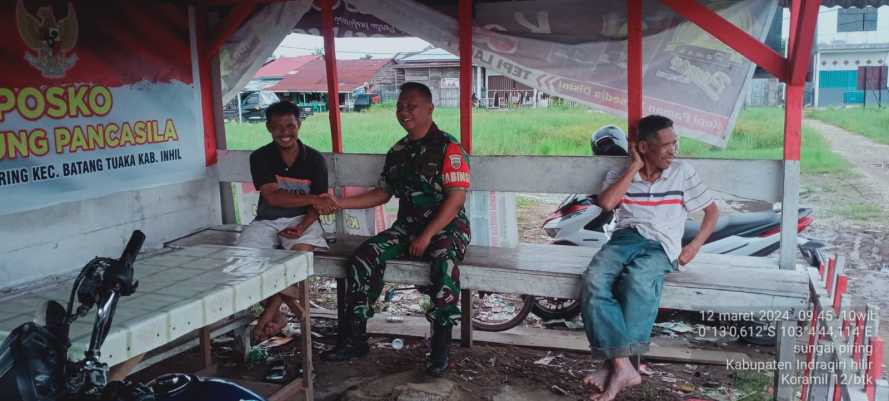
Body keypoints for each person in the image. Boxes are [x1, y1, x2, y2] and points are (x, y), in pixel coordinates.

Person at [315, 82, 471, 377]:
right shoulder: (398, 151)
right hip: (408, 227)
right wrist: (339, 203)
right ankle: (355, 338)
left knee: (443, 262)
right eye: (400, 106)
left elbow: (456, 198)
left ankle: (440, 347)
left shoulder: (449, 147)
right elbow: (382, 194)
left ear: (429, 109)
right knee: (364, 257)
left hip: (447, 226)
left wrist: (427, 236)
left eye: (411, 106)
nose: (404, 112)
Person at [581, 115, 719, 401]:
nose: (673, 151)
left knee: (638, 280)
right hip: (624, 239)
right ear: (643, 147)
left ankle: (615, 367)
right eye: (666, 145)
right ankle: (622, 366)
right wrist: (633, 167)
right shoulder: (622, 173)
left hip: (661, 245)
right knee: (594, 279)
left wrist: (693, 247)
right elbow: (607, 204)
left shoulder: (682, 172)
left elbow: (712, 212)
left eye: (675, 143)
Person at [236, 100, 330, 340]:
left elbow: (316, 208)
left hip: (303, 220)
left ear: (299, 125)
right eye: (277, 127)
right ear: (268, 128)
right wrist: (313, 199)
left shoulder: (315, 159)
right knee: (243, 259)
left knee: (296, 261)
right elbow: (272, 197)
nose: (284, 132)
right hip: (267, 220)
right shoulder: (260, 157)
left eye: (290, 125)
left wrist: (301, 226)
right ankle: (292, 311)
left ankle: (271, 314)